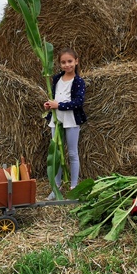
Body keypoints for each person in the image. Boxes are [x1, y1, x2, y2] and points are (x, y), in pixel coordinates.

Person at [44, 47, 87, 199]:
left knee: (72, 153)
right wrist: (50, 105)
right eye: (63, 62)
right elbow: (55, 97)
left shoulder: (78, 81)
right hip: (56, 119)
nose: (67, 65)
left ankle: (74, 186)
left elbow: (78, 102)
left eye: (69, 61)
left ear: (76, 62)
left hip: (71, 119)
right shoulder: (56, 79)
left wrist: (60, 106)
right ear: (59, 64)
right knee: (56, 152)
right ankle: (56, 187)